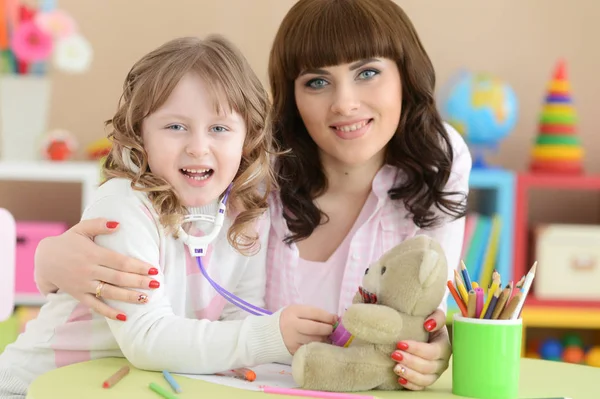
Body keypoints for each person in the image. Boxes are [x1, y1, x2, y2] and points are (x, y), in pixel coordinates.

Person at [33, 0, 471, 391]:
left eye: (368, 72)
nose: (345, 103)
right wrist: (47, 260)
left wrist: (436, 343)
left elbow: (429, 308)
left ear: (405, 74)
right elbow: (170, 317)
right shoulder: (249, 171)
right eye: (317, 82)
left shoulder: (439, 160)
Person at [0, 35, 337, 399]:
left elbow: (240, 314)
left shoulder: (247, 210)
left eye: (219, 129)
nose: (197, 146)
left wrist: (259, 344)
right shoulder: (124, 206)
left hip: (131, 386)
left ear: (248, 138)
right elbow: (147, 338)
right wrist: (271, 337)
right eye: (175, 127)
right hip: (35, 386)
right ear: (140, 135)